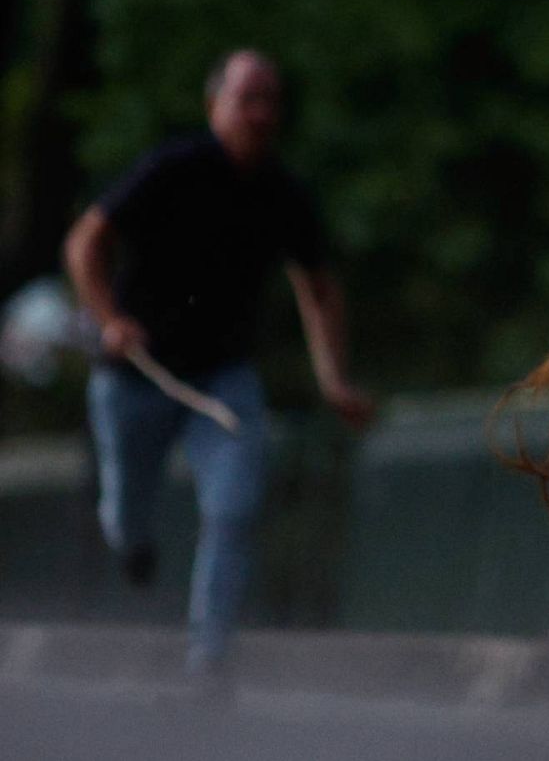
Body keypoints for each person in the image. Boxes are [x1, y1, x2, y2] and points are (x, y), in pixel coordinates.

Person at [63, 49, 373, 678]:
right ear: (216, 106)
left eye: (270, 99)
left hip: (223, 379)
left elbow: (318, 288)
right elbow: (87, 239)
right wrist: (108, 319)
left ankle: (209, 660)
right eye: (246, 98)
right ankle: (133, 542)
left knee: (235, 507)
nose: (260, 112)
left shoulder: (283, 194)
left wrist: (333, 379)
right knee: (125, 513)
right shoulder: (173, 170)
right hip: (137, 373)